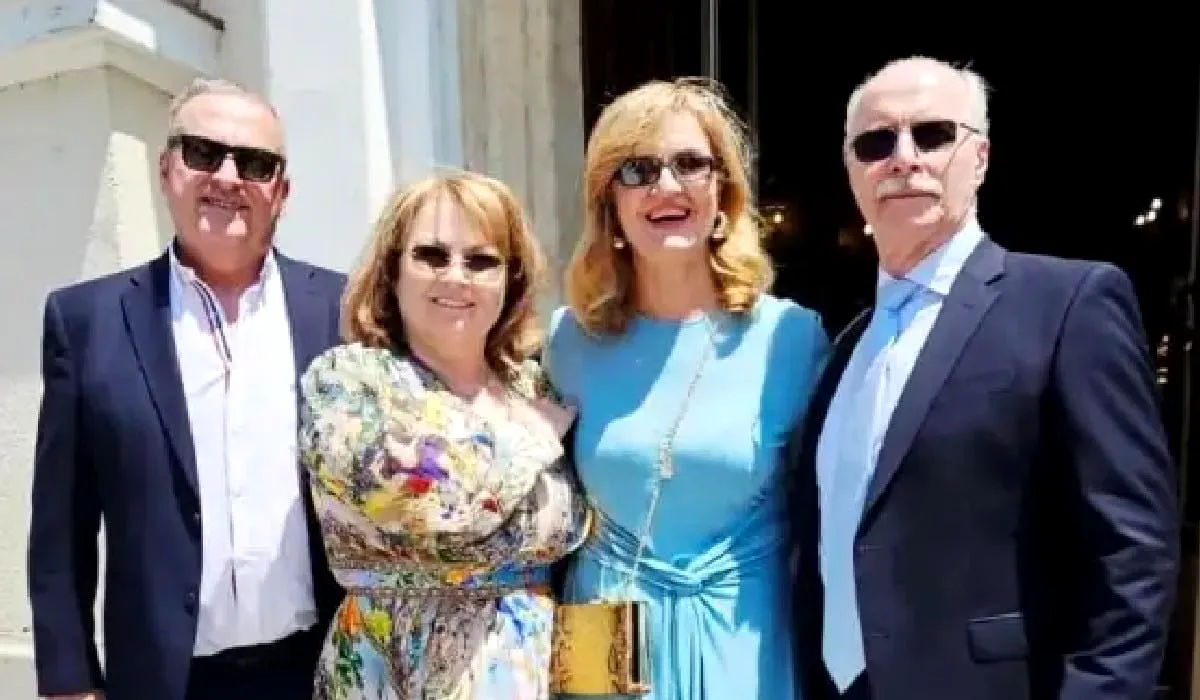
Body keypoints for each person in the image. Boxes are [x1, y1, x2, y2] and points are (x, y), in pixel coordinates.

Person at [785, 57, 1179, 700]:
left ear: (981, 158)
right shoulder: (847, 347)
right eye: (876, 143)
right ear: (852, 171)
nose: (903, 159)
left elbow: (1133, 548)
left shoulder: (1068, 304)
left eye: (933, 134)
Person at [26, 78, 345, 700]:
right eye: (203, 152)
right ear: (166, 168)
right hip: (165, 681)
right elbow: (61, 525)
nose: (227, 177)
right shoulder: (87, 322)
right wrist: (69, 681)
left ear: (281, 192)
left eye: (254, 164)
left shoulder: (342, 310)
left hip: (317, 673)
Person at [545, 78, 830, 699]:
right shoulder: (566, 341)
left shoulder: (790, 339)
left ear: (724, 190)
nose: (666, 187)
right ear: (609, 204)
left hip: (743, 646)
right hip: (602, 639)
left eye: (690, 164)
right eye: (638, 170)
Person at [299, 169, 587, 700]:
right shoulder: (349, 382)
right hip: (395, 671)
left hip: (532, 671)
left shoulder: (533, 384)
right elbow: (437, 509)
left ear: (511, 280)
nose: (456, 276)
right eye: (431, 256)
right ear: (392, 270)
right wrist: (531, 438)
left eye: (481, 261)